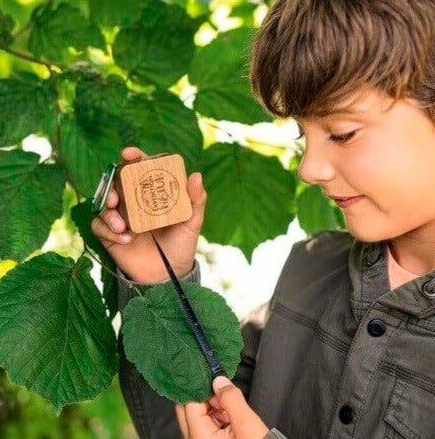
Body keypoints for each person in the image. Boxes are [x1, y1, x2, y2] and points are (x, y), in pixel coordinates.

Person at [91, 0, 435, 437]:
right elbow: (185, 423)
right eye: (302, 134)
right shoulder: (309, 271)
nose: (309, 168)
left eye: (342, 133)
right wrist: (161, 281)